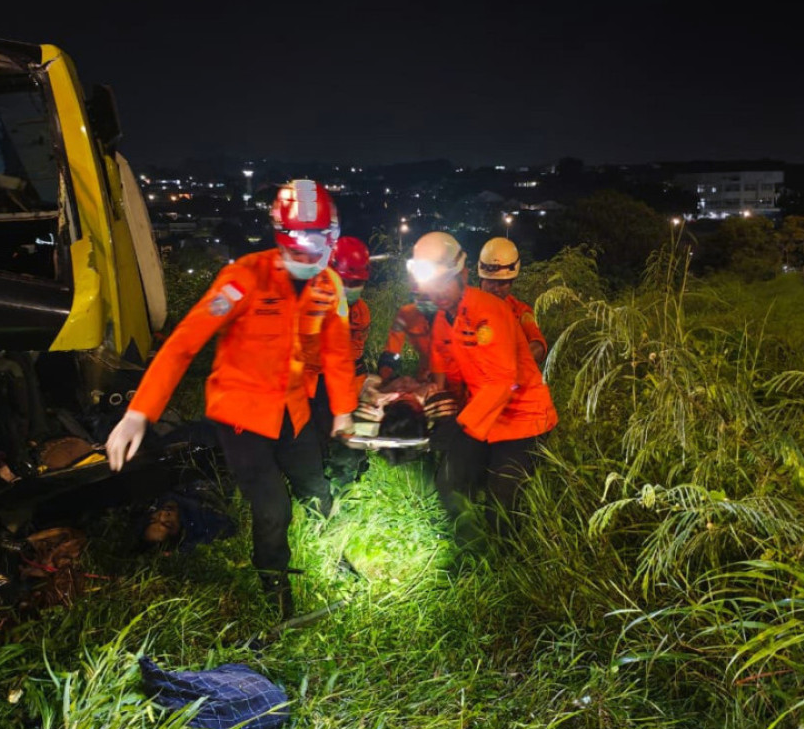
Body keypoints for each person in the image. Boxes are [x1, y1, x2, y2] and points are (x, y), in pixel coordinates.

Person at [105, 179, 358, 618]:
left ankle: (334, 556)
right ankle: (275, 590)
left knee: (317, 491)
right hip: (241, 415)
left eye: (319, 242)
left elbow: (336, 352)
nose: (310, 254)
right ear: (282, 237)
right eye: (301, 243)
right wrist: (138, 413)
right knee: (273, 508)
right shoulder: (242, 281)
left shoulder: (326, 287)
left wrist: (343, 410)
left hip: (293, 411)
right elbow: (184, 343)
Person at [407, 231, 558, 549]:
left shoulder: (493, 311)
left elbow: (503, 381)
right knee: (449, 483)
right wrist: (421, 399)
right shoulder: (444, 319)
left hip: (520, 419)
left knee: (501, 503)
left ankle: (506, 565)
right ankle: (470, 552)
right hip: (485, 416)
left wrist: (463, 425)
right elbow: (442, 371)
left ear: (461, 274)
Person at [306, 235, 371, 486]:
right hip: (310, 379)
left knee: (344, 431)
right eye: (346, 281)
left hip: (342, 379)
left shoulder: (360, 311)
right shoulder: (312, 303)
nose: (351, 288)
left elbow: (353, 354)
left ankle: (348, 476)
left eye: (357, 283)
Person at [477, 237, 548, 367]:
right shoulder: (465, 306)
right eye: (491, 282)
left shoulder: (520, 312)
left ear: (511, 282)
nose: (495, 288)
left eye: (502, 283)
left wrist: (513, 363)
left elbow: (538, 344)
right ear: (482, 279)